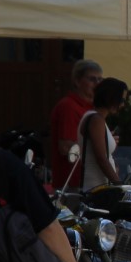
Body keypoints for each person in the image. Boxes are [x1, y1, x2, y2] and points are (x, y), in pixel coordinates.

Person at [67, 77, 128, 193]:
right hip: (96, 189)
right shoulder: (96, 120)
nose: (122, 105)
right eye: (121, 100)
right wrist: (120, 186)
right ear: (112, 98)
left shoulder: (94, 117)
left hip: (98, 187)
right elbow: (101, 158)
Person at [49, 58, 102, 186]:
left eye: (100, 80)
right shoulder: (69, 107)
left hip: (87, 181)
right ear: (77, 81)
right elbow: (66, 147)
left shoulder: (91, 108)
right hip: (72, 184)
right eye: (92, 79)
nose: (97, 84)